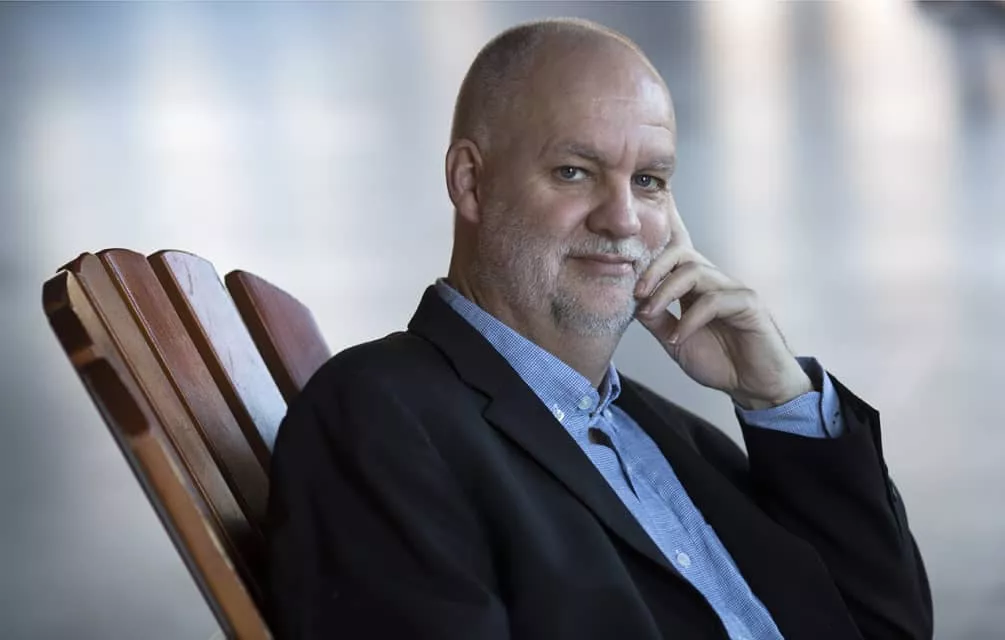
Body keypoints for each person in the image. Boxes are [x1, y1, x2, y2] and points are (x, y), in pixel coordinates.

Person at [265, 18, 932, 640]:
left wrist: (777, 398)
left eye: (648, 180)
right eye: (574, 172)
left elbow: (887, 626)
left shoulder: (663, 433)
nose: (622, 219)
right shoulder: (380, 415)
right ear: (470, 182)